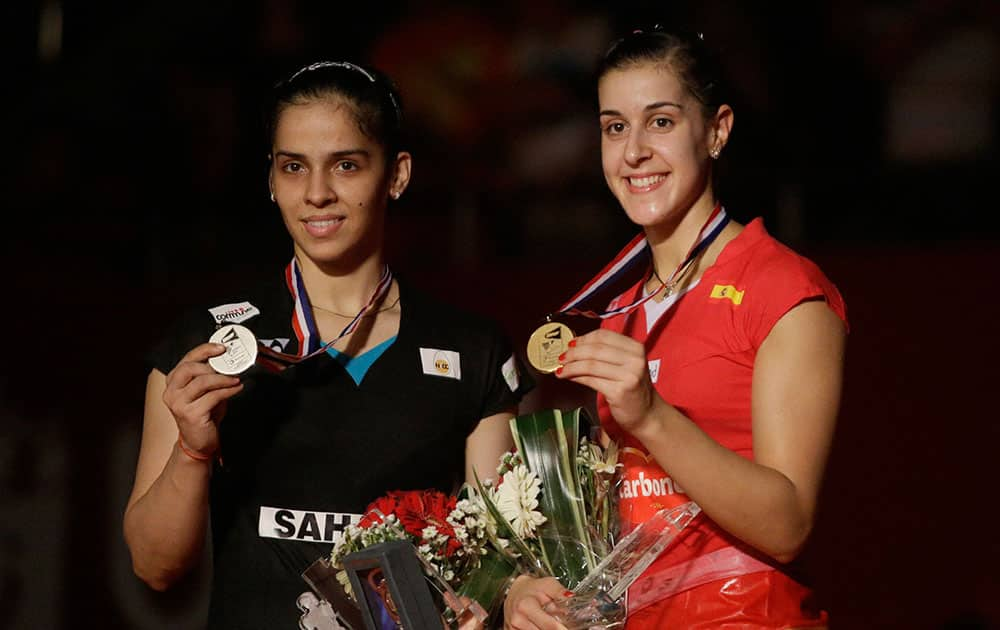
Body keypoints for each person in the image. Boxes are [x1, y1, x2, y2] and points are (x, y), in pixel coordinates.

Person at [123, 60, 531, 629]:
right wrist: (193, 449)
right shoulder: (210, 342)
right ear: (271, 180)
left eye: (345, 165)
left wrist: (480, 606)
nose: (317, 193)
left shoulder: (471, 350)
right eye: (294, 167)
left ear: (397, 174)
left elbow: (499, 565)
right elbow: (154, 567)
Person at [503, 27, 847, 629]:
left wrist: (651, 416)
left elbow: (788, 524)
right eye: (615, 127)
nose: (633, 151)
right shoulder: (617, 307)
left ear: (717, 131)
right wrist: (536, 582)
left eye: (660, 122)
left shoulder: (784, 289)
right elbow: (621, 514)